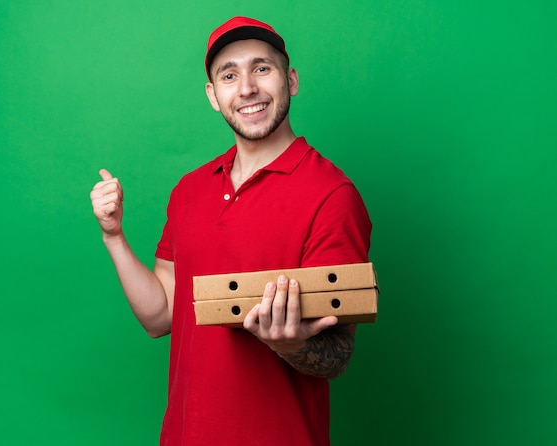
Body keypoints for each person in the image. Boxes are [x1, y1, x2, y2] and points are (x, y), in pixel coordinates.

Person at [90, 16, 372, 446]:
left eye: (262, 68)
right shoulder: (189, 190)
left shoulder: (332, 195)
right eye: (229, 75)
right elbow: (161, 315)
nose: (247, 89)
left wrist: (291, 344)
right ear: (213, 96)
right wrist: (114, 236)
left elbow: (336, 357)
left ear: (290, 80)